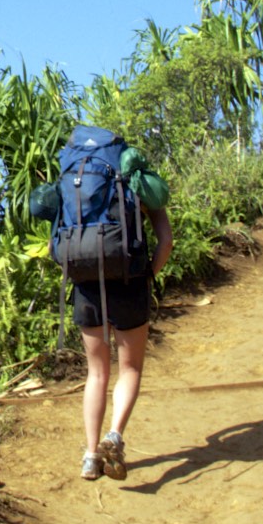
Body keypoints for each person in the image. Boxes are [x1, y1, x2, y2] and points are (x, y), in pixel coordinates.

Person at [78, 203, 172, 481]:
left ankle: (90, 457)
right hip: (131, 281)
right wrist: (148, 276)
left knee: (96, 374)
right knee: (130, 368)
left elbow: (53, 246)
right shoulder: (140, 181)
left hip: (87, 285)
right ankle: (114, 436)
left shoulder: (73, 179)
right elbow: (166, 241)